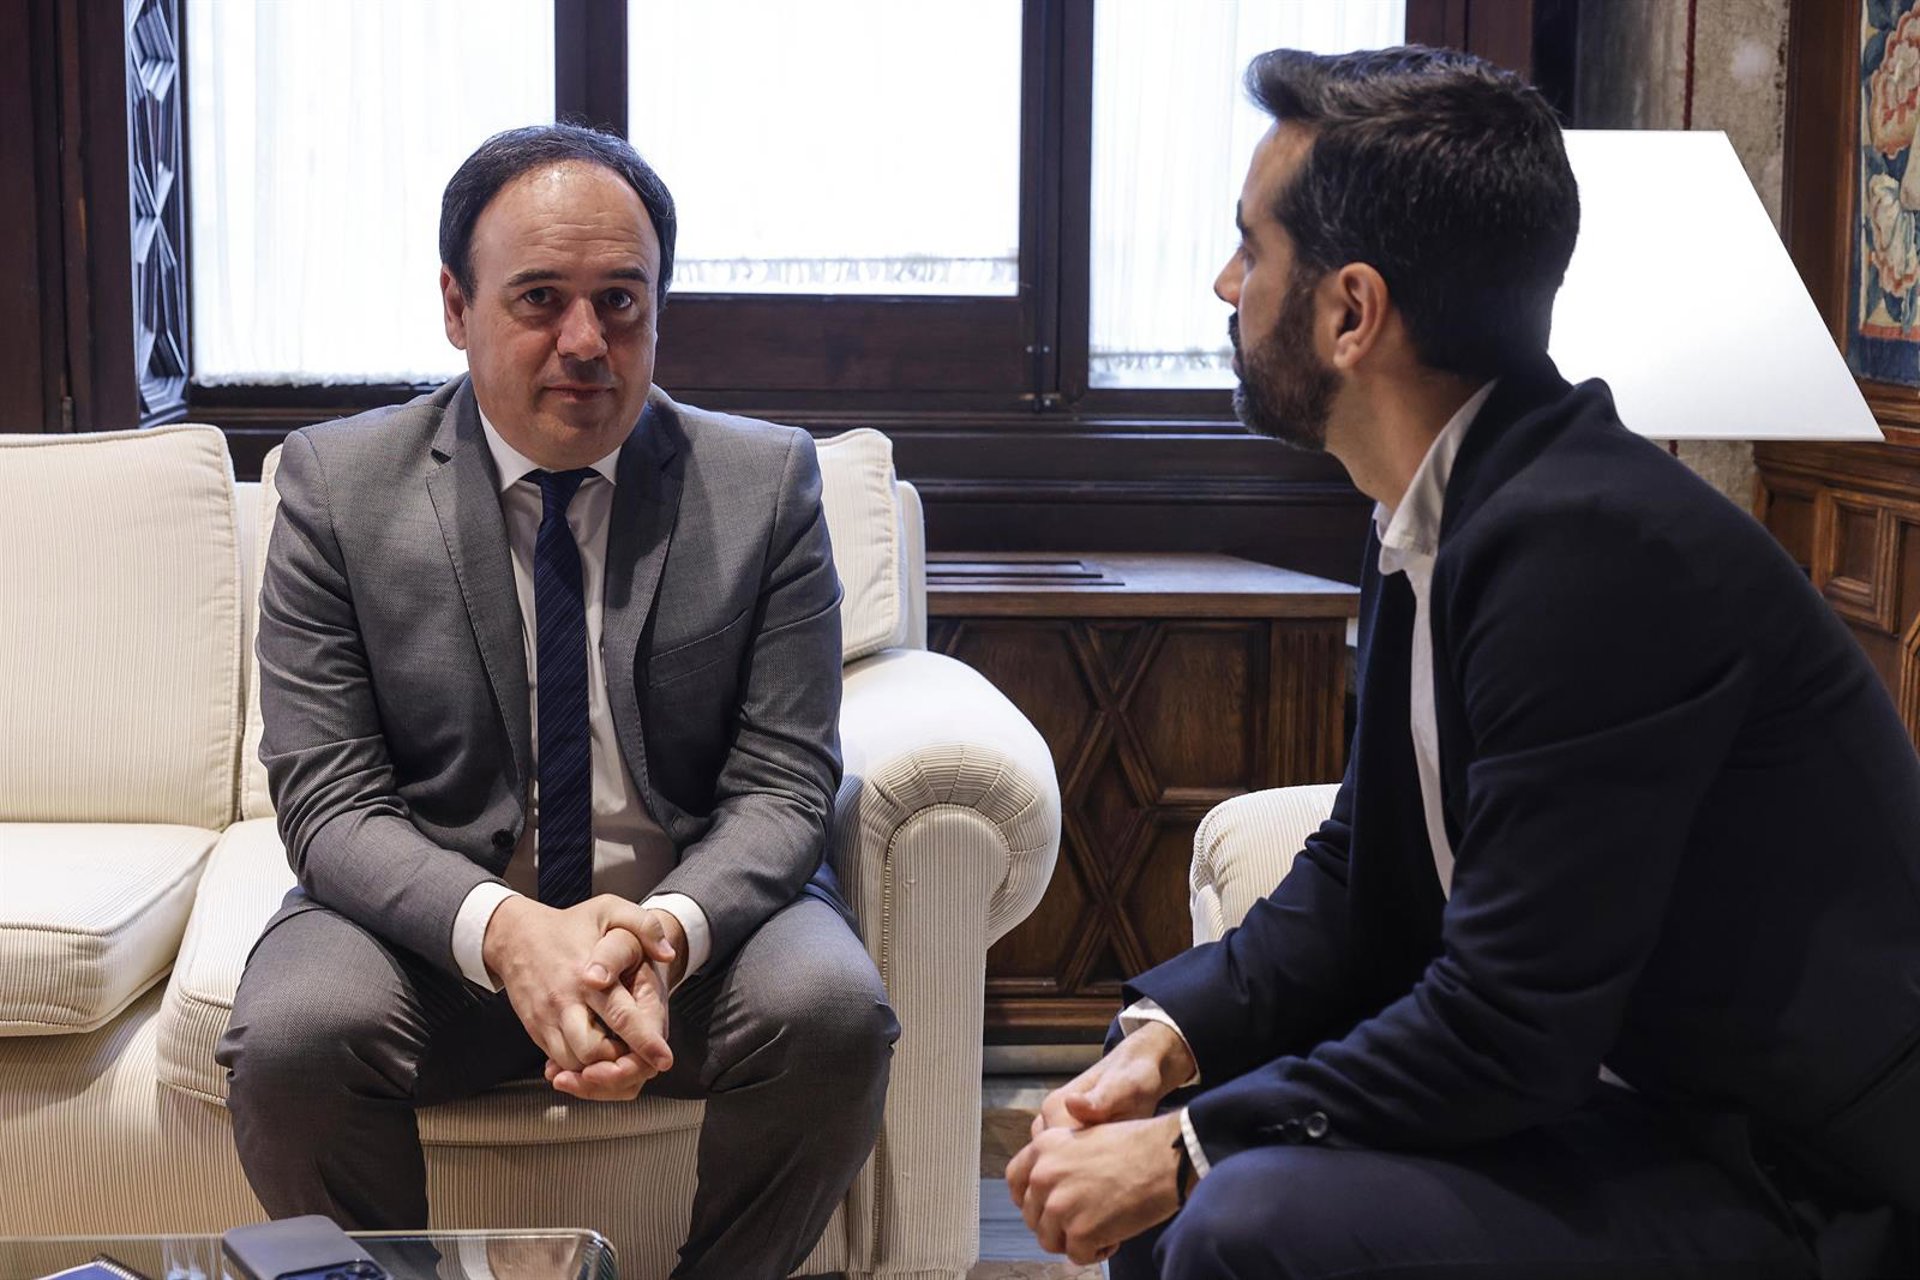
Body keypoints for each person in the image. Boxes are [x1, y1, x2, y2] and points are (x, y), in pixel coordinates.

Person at [1007, 45, 1920, 1280]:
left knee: (1230, 1213)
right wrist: (1166, 1042)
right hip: (1618, 1105)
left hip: (1778, 1169)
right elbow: (1362, 867)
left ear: (1351, 312)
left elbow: (1507, 1022)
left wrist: (1191, 1146)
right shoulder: (1438, 505)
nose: (1226, 284)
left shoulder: (1593, 552)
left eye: (1250, 248)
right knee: (1184, 1185)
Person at [217, 123, 898, 1280]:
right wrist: (507, 931)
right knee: (293, 1038)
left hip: (686, 931)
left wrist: (664, 933)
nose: (586, 342)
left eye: (620, 302)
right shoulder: (338, 487)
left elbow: (785, 781)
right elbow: (329, 800)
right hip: (431, 934)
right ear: (456, 305)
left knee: (831, 1009)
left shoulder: (765, 482)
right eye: (540, 298)